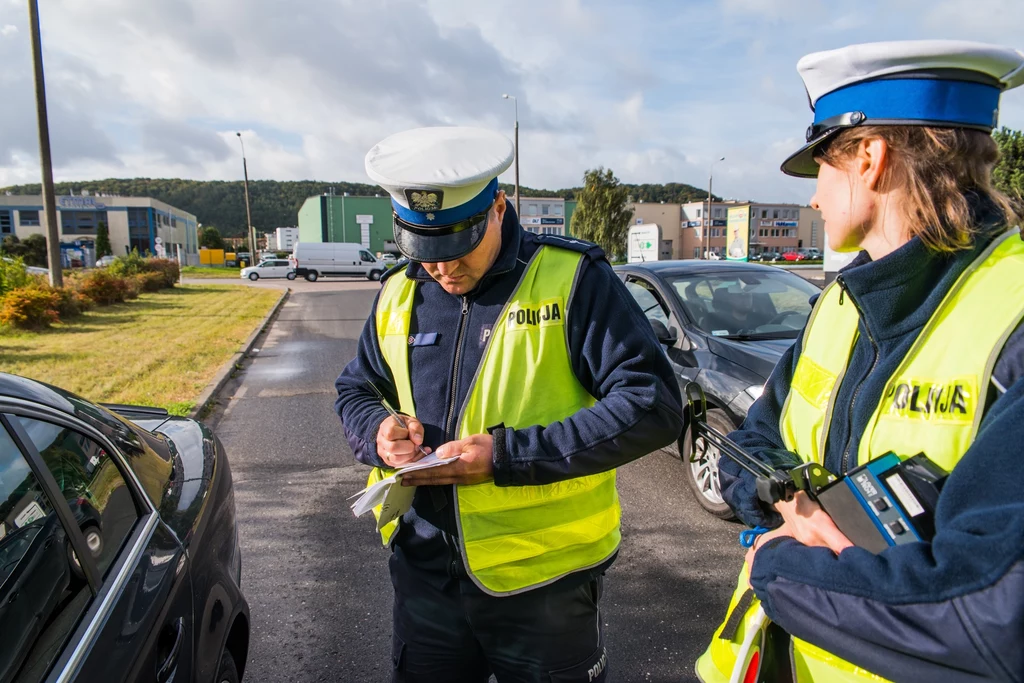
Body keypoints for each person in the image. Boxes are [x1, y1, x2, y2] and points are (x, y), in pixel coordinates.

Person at [695, 40, 1024, 683]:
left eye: (820, 168)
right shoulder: (839, 302)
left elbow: (990, 616)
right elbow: (758, 434)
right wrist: (787, 502)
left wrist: (777, 566)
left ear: (870, 159)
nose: (814, 199)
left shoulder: (1011, 317)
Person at [335, 126, 683, 682]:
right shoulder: (400, 290)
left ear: (499, 207)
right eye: (425, 253)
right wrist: (377, 428)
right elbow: (355, 387)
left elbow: (654, 402)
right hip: (425, 578)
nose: (442, 270)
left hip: (544, 590)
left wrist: (507, 456)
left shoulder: (573, 279)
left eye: (455, 248)